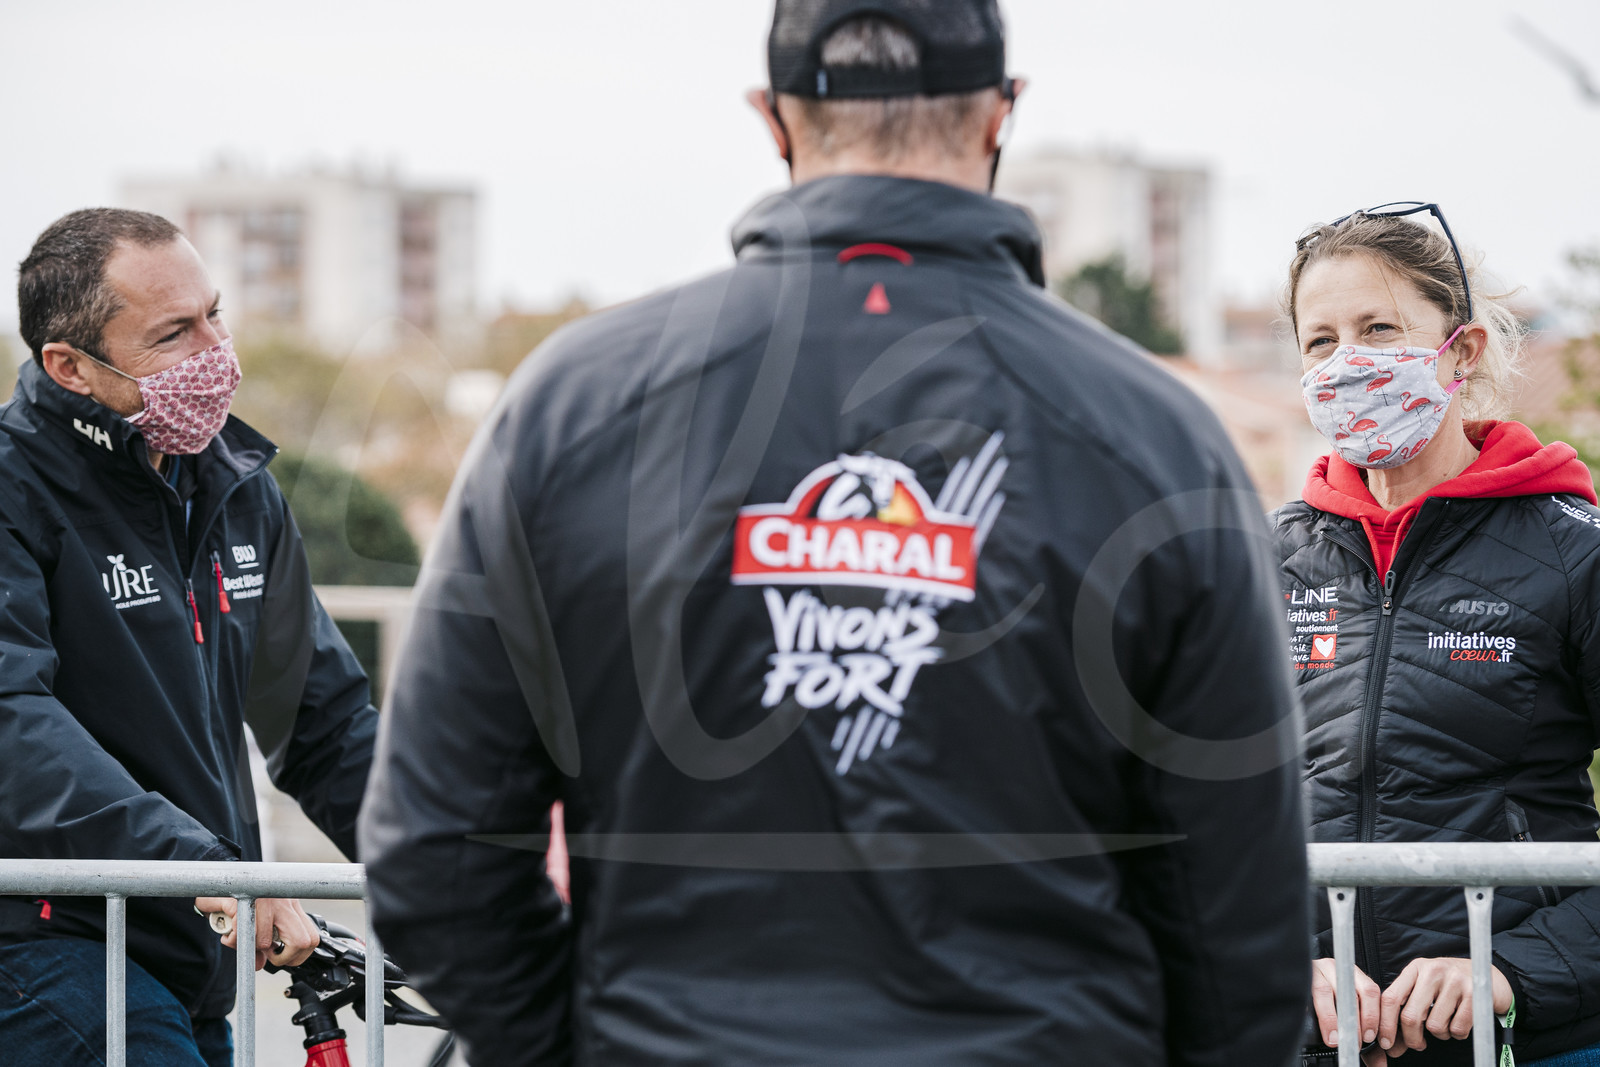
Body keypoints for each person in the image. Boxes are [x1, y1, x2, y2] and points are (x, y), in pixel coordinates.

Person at [361, 2, 1310, 1063]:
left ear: (772, 118)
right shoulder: (1155, 436)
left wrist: (585, 1045)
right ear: (1001, 114)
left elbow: (436, 859)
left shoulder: (572, 411)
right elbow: (1241, 923)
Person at [0, 208, 379, 1066]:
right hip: (43, 945)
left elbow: (323, 722)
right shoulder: (14, 488)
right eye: (174, 333)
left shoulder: (235, 484)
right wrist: (200, 866)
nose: (216, 352)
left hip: (190, 946)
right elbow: (12, 724)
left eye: (215, 314)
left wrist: (463, 866)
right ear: (69, 366)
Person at [1277, 202, 1600, 1065]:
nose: (1348, 362)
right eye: (1320, 341)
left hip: (1533, 1042)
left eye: (1379, 329)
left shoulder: (1575, 553)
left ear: (1462, 351)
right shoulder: (1262, 561)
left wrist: (1509, 970)